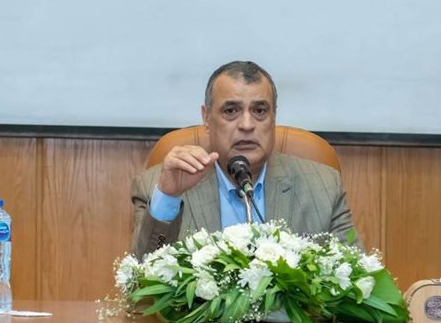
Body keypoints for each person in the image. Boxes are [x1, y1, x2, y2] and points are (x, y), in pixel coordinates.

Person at [131, 61, 356, 257]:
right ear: (207, 118)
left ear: (274, 117)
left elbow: (357, 282)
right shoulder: (159, 189)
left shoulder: (323, 187)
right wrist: (168, 198)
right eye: (231, 111)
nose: (247, 125)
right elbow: (141, 282)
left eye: (259, 111)